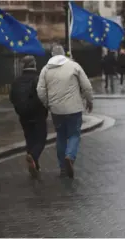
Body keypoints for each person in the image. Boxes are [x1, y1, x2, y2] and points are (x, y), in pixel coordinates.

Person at [37, 44, 93, 178]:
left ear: (52, 55)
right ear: (63, 54)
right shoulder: (74, 66)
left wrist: (47, 104)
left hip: (56, 110)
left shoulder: (46, 69)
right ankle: (70, 156)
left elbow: (40, 90)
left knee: (61, 136)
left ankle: (62, 167)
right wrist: (89, 101)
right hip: (74, 108)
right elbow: (86, 86)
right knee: (74, 134)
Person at [9, 56, 48, 178]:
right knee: (41, 138)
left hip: (23, 115)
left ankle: (34, 164)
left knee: (29, 138)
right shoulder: (38, 79)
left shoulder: (16, 81)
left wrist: (18, 108)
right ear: (34, 65)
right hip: (38, 114)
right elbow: (43, 95)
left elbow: (12, 97)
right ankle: (33, 156)